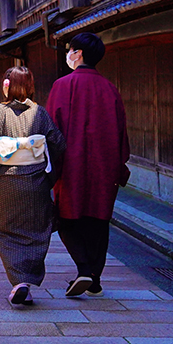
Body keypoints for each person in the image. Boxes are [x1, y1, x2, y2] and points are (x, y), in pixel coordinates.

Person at [0, 67, 66, 306]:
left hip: (8, 182)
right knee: (37, 229)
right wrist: (50, 176)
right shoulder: (40, 113)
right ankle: (27, 280)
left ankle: (19, 282)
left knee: (6, 230)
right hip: (36, 182)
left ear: (7, 85)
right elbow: (59, 144)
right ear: (30, 86)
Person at [45, 32, 130, 298]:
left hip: (71, 166)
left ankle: (83, 268)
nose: (68, 54)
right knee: (98, 220)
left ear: (78, 53)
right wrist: (119, 163)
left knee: (67, 218)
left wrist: (51, 164)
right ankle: (95, 278)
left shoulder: (63, 85)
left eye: (70, 50)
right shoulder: (109, 88)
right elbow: (121, 132)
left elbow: (52, 130)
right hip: (105, 165)